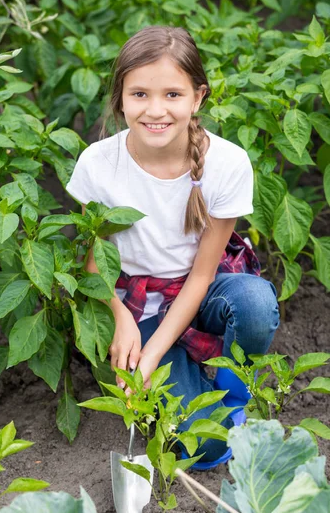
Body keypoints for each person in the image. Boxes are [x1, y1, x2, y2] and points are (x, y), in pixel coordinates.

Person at [66, 25, 280, 468]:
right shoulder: (100, 164)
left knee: (256, 304)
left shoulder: (227, 163)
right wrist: (120, 319)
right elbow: (93, 265)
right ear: (120, 98)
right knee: (207, 449)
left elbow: (203, 274)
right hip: (136, 300)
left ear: (197, 98)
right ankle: (192, 387)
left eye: (172, 95)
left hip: (199, 290)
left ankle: (232, 389)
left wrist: (155, 353)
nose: (155, 110)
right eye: (140, 94)